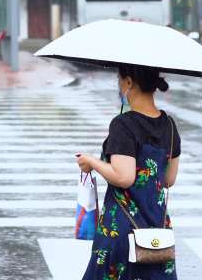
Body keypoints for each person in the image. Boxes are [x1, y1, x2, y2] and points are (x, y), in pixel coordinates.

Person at [77, 64, 180, 280]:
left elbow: (123, 177)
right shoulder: (170, 126)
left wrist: (92, 162)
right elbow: (169, 180)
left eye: (119, 80)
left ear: (129, 82)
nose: (118, 85)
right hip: (157, 234)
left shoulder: (123, 125)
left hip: (121, 230)